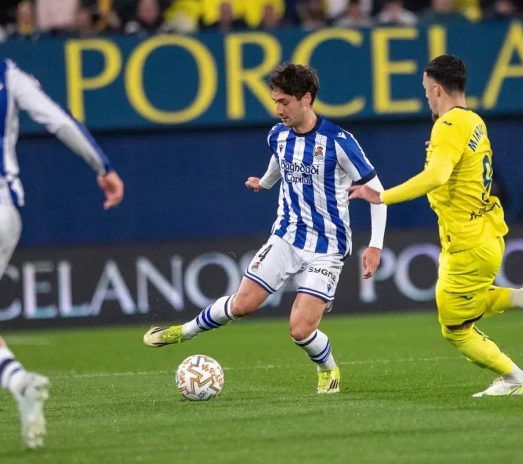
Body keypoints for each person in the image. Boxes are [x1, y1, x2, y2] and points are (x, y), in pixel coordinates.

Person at [144, 63, 387, 395]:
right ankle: (183, 332)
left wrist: (375, 245)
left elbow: (378, 192)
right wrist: (266, 182)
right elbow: (278, 161)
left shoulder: (338, 141)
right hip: (286, 236)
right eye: (275, 102)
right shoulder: (278, 135)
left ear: (306, 99)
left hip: (327, 247)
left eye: (284, 102)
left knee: (300, 330)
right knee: (242, 305)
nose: (278, 110)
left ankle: (328, 369)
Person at [348, 54, 523, 398]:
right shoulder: (474, 121)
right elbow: (459, 167)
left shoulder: (448, 124)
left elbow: (437, 175)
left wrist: (382, 196)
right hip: (487, 234)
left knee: (455, 328)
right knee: (465, 301)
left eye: (426, 90)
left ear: (437, 89)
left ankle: (515, 379)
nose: (426, 97)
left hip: (466, 241)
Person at [0, 58, 123, 447]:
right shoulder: (8, 73)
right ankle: (19, 381)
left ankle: (19, 382)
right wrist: (102, 166)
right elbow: (57, 120)